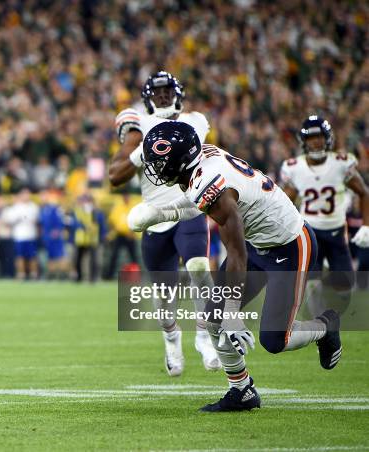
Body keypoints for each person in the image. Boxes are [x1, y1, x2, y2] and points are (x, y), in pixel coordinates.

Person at [134, 121, 343, 412]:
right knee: (213, 318)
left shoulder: (214, 188)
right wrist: (162, 213)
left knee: (275, 339)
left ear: (180, 160)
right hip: (256, 242)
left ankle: (325, 326)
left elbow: (236, 254)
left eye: (159, 162)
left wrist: (232, 311)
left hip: (289, 244)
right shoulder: (200, 165)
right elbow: (198, 201)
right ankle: (242, 391)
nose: (154, 169)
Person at [109, 71, 220, 375]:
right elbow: (115, 176)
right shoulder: (140, 125)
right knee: (164, 292)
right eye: (156, 92)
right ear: (147, 97)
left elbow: (197, 153)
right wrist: (141, 151)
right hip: (156, 215)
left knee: (198, 267)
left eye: (167, 90)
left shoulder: (195, 120)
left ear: (177, 93)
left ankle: (204, 336)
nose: (162, 96)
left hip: (188, 207)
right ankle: (172, 339)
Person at [280, 116, 369, 316]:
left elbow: (364, 192)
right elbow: (285, 202)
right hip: (309, 232)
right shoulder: (294, 167)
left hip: (336, 233)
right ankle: (321, 325)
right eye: (311, 138)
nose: (316, 141)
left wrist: (366, 226)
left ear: (327, 138)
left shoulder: (340, 163)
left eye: (319, 136)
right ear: (303, 141)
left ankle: (329, 308)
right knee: (311, 283)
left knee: (346, 287)